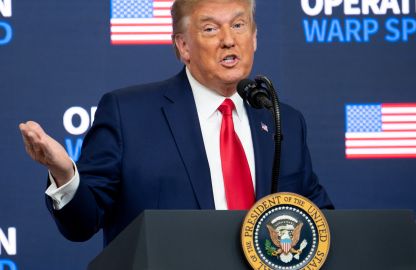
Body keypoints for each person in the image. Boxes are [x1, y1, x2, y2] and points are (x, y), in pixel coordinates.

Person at [18, 0, 333, 246]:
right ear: (183, 46)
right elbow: (82, 223)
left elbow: (322, 222)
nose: (228, 40)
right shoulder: (128, 114)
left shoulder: (284, 121)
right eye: (210, 29)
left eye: (239, 25)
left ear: (254, 38)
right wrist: (64, 174)